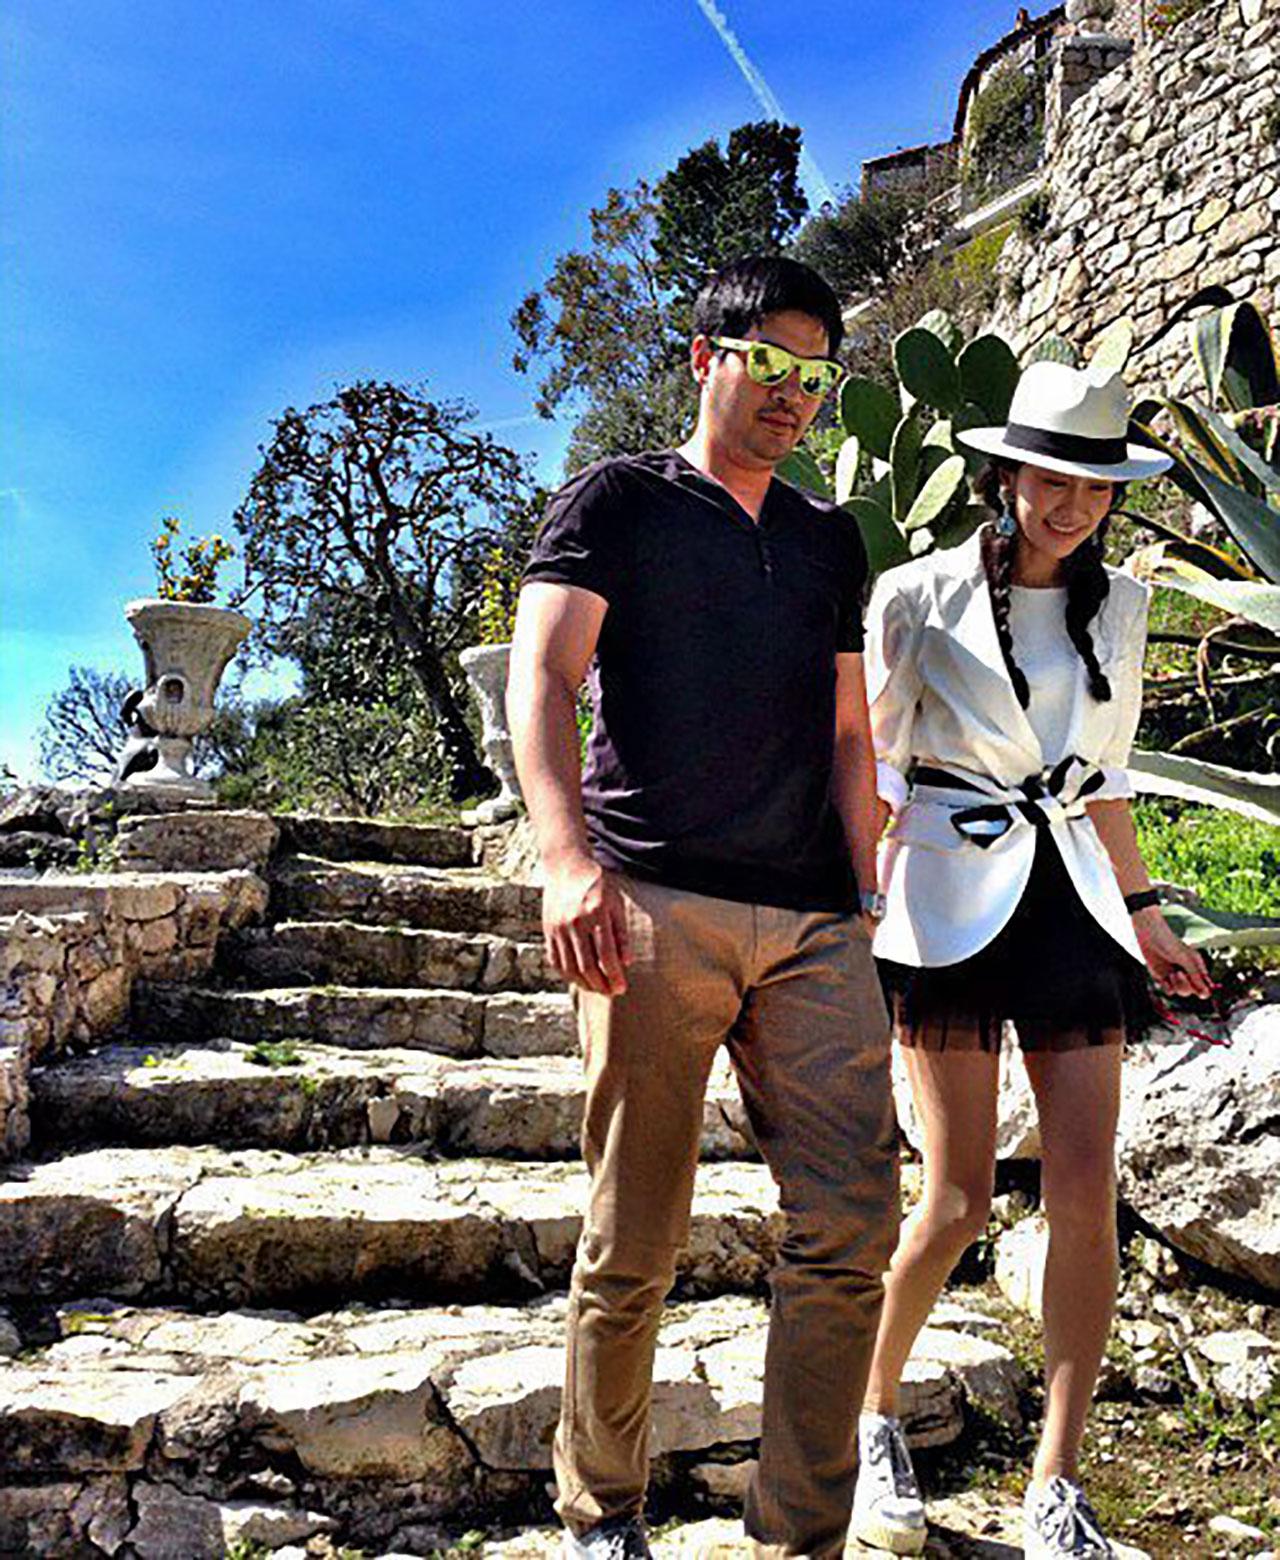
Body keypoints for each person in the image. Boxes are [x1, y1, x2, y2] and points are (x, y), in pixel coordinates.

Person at [506, 255, 900, 1559]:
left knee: (848, 1228)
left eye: (814, 376)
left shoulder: (828, 536)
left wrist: (866, 892)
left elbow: (848, 730)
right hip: (653, 905)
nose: (792, 394)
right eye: (768, 362)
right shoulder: (618, 501)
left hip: (813, 922)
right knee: (633, 1240)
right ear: (702, 357)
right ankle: (600, 1514)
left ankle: (799, 1537)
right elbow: (543, 679)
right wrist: (566, 863)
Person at [849, 360, 1213, 1559]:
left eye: (1094, 487)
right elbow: (876, 760)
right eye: (1050, 480)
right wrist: (856, 900)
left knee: (1082, 1196)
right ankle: (870, 1417)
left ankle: (1056, 1481)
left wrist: (1145, 912)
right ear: (1003, 476)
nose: (1070, 505)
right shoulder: (914, 593)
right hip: (943, 897)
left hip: (1071, 903)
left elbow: (1103, 779)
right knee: (955, 1196)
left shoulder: (1121, 606)